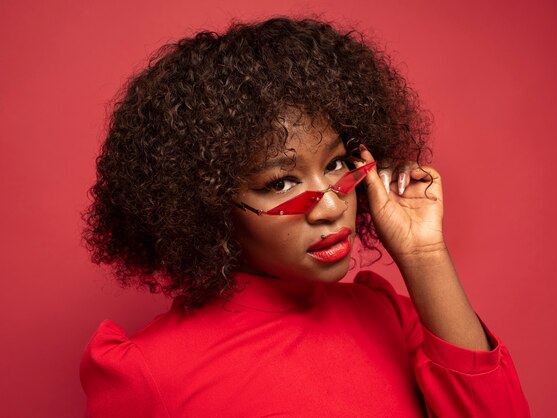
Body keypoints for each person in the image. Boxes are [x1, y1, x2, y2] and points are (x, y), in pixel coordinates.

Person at [80, 17, 530, 417]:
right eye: (281, 184)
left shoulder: (386, 314)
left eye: (336, 165)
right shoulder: (150, 373)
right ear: (205, 205)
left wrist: (423, 253)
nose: (332, 207)